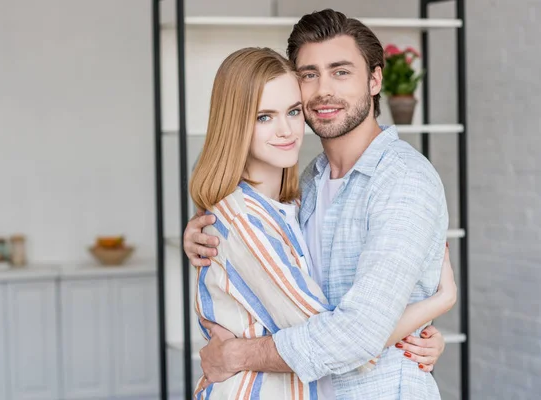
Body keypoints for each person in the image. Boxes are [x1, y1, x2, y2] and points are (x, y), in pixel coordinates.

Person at [188, 43, 456, 400]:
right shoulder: (279, 201)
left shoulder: (390, 180)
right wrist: (437, 301)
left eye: (292, 111)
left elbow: (349, 335)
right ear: (236, 123)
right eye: (263, 116)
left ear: (375, 80)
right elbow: (347, 340)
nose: (285, 130)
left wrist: (423, 325)